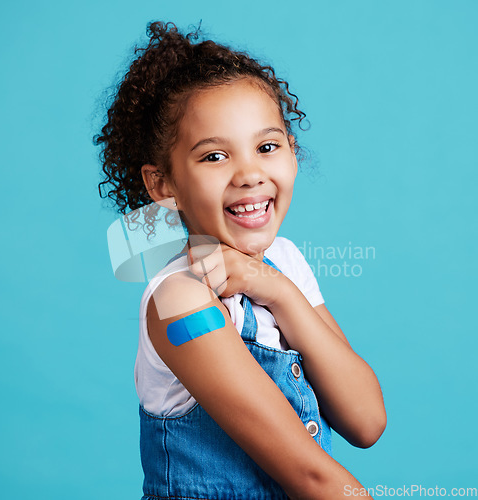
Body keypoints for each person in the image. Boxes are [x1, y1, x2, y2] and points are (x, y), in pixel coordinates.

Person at [96, 21, 386, 500]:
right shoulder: (180, 302)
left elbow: (366, 418)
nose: (249, 174)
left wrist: (277, 290)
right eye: (214, 157)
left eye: (267, 147)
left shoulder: (286, 263)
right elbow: (309, 475)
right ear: (162, 185)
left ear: (293, 153)